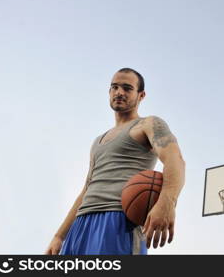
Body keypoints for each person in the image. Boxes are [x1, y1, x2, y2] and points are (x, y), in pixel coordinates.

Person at [45, 68, 186, 255]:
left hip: (118, 220)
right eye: (115, 87)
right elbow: (87, 188)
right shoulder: (98, 141)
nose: (119, 92)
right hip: (81, 225)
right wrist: (60, 236)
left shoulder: (148, 124)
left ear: (141, 95)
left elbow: (175, 160)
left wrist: (167, 201)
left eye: (127, 88)